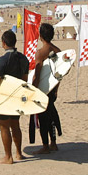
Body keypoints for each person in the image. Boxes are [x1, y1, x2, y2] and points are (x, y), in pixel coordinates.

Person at [0, 30, 29, 164]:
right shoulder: (24, 58)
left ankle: (8, 157)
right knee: (16, 125)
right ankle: (19, 153)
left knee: (4, 126)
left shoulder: (2, 60)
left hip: (4, 98)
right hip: (17, 97)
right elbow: (25, 81)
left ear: (3, 43)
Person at [32, 23, 62, 154]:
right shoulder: (58, 51)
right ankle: (53, 143)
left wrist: (34, 89)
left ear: (41, 36)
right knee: (51, 116)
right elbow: (60, 73)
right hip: (53, 89)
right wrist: (56, 90)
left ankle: (45, 146)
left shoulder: (40, 52)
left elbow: (37, 74)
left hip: (43, 90)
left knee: (43, 118)